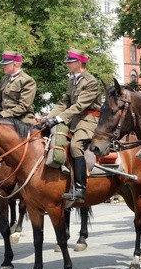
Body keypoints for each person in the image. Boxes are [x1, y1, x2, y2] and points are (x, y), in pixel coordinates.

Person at [41, 48, 102, 202]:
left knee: (75, 145)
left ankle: (80, 188)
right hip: (74, 119)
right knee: (53, 139)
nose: (67, 64)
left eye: (70, 61)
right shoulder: (72, 80)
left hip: (89, 121)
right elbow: (64, 102)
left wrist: (59, 118)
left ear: (79, 63)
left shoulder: (91, 82)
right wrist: (48, 117)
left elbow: (80, 106)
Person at [0, 50, 37, 124]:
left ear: (15, 64)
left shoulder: (27, 81)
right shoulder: (4, 78)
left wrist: (2, 115)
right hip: (4, 118)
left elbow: (23, 107)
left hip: (21, 120)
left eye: (5, 64)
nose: (3, 66)